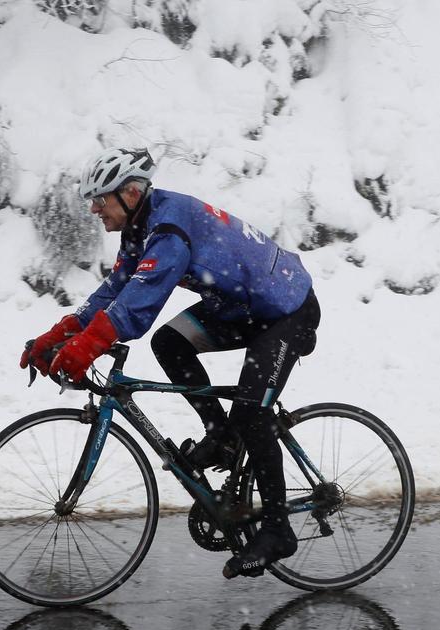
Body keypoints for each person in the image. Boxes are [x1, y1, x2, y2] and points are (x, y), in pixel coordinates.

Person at [19, 147, 321, 578]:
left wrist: (87, 348)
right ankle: (221, 436)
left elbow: (137, 305)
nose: (93, 208)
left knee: (252, 413)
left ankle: (278, 530)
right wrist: (59, 335)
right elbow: (113, 293)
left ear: (128, 192)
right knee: (171, 343)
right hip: (241, 307)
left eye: (99, 198)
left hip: (286, 311)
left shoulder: (169, 229)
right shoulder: (141, 227)